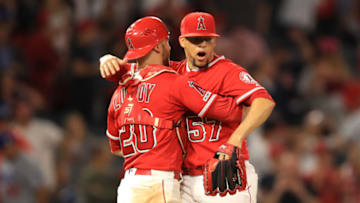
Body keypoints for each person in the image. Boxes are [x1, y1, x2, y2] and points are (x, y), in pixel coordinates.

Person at [101, 12, 275, 202]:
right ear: (182, 41)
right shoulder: (173, 73)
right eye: (195, 40)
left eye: (206, 40)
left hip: (222, 173)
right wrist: (110, 62)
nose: (201, 45)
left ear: (215, 41)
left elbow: (264, 102)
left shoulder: (227, 71)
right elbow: (144, 68)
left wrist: (236, 139)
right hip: (184, 181)